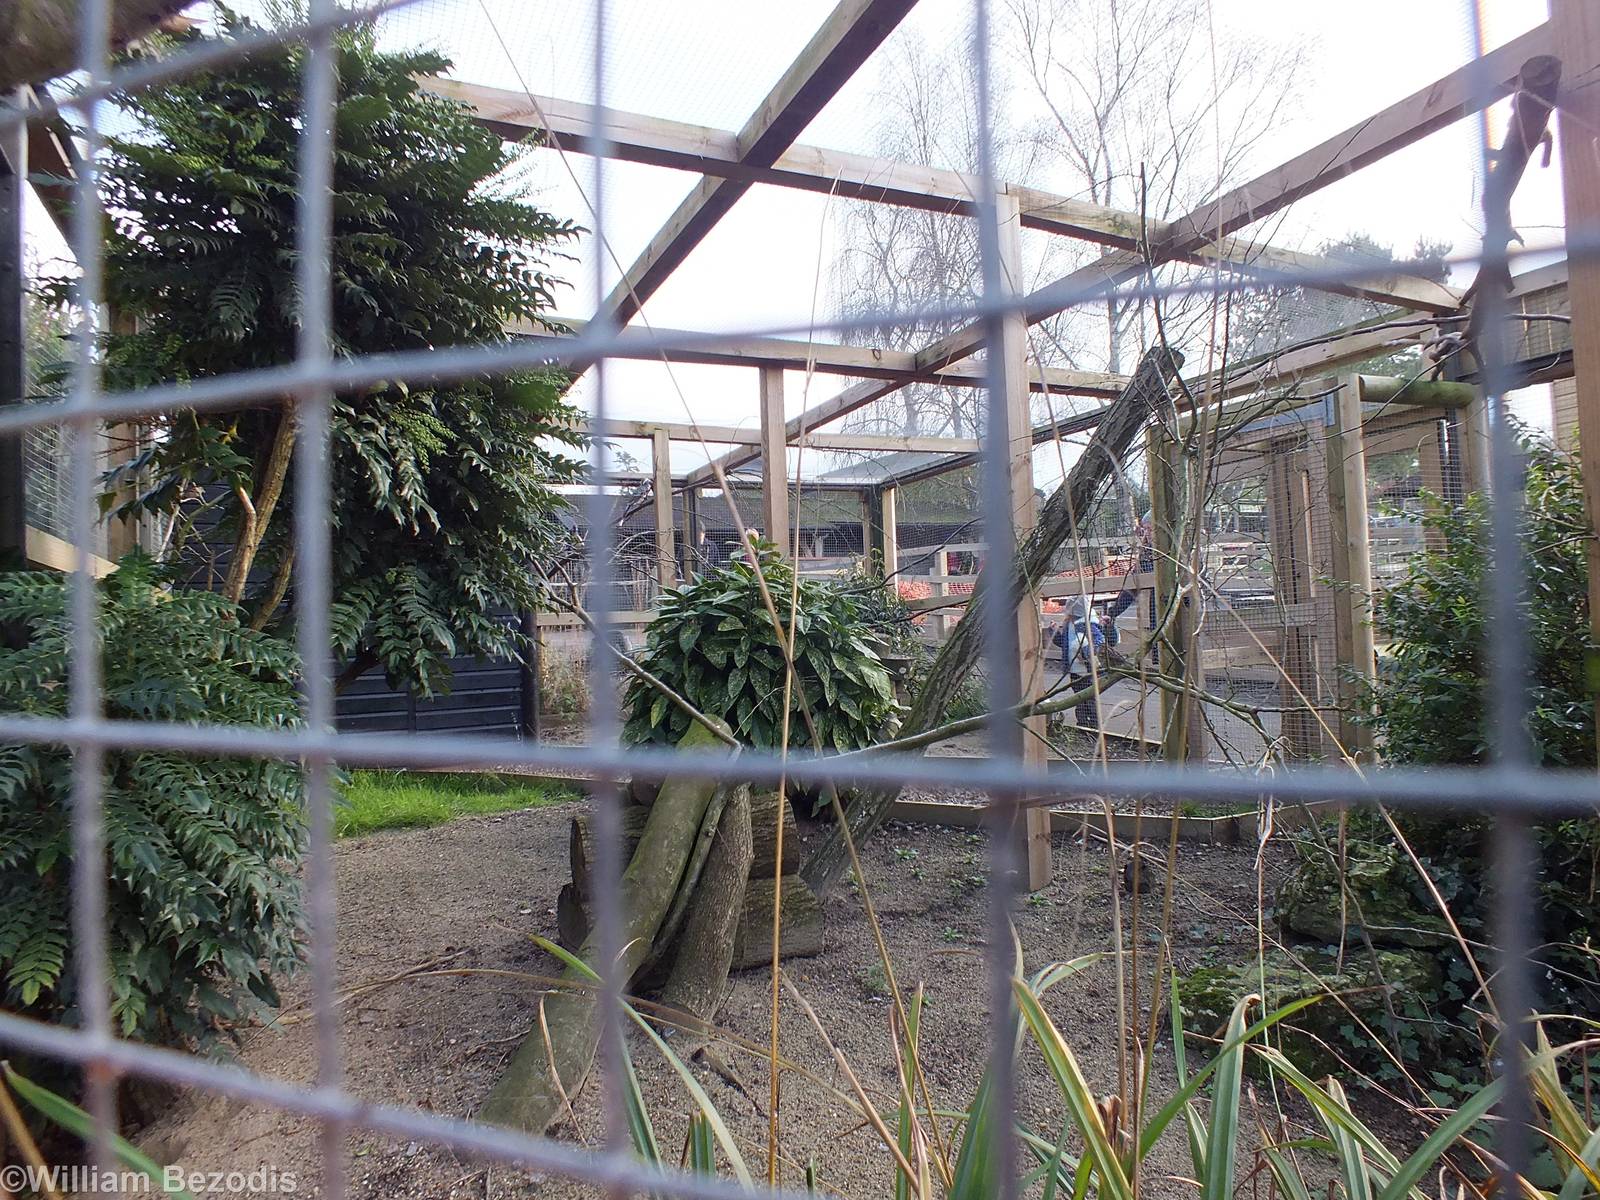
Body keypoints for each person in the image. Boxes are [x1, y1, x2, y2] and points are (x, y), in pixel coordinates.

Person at [1104, 511, 1155, 649]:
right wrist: (1113, 613)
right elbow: (1132, 589)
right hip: (1156, 609)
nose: (1147, 534)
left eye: (1150, 529)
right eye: (1145, 529)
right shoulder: (1146, 554)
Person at [1053, 599, 1104, 729]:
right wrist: (1054, 632)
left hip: (1086, 670)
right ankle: (1082, 724)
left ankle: (1094, 725)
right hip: (1074, 669)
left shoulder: (1087, 624)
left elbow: (1099, 639)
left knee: (1090, 698)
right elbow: (1063, 644)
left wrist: (1086, 651)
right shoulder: (1068, 624)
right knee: (1078, 698)